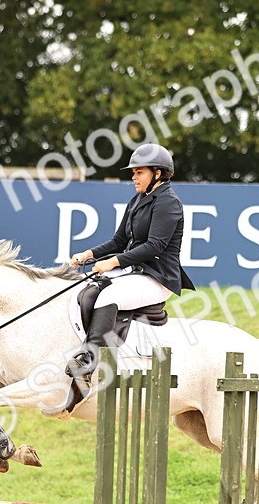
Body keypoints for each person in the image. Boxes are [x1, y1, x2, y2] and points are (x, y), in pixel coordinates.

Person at [65, 143, 194, 378]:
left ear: (158, 173)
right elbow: (119, 240)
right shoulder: (137, 200)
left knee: (109, 295)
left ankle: (90, 356)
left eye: (139, 172)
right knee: (88, 286)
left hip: (158, 277)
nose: (134, 177)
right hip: (136, 271)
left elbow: (155, 246)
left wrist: (114, 262)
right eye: (133, 173)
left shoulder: (168, 202)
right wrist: (89, 254)